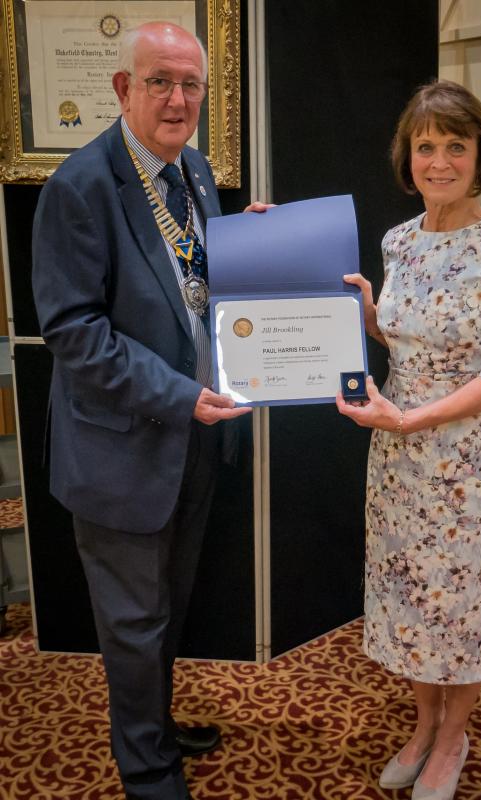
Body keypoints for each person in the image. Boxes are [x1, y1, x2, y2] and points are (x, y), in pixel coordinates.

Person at [32, 22, 270, 800]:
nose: (178, 99)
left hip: (192, 442)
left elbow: (194, 287)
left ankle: (155, 730)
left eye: (191, 84)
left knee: (165, 609)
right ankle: (148, 773)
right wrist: (179, 397)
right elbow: (74, 332)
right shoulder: (80, 186)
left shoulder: (193, 171)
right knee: (133, 625)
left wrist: (259, 246)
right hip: (124, 450)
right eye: (160, 81)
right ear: (123, 89)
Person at [336, 80, 481, 800]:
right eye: (427, 146)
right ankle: (423, 723)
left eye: (457, 145)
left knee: (461, 603)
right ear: (409, 156)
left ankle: (455, 734)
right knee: (412, 599)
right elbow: (410, 341)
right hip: (397, 460)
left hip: (466, 462)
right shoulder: (399, 241)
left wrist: (409, 419)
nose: (441, 161)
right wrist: (367, 315)